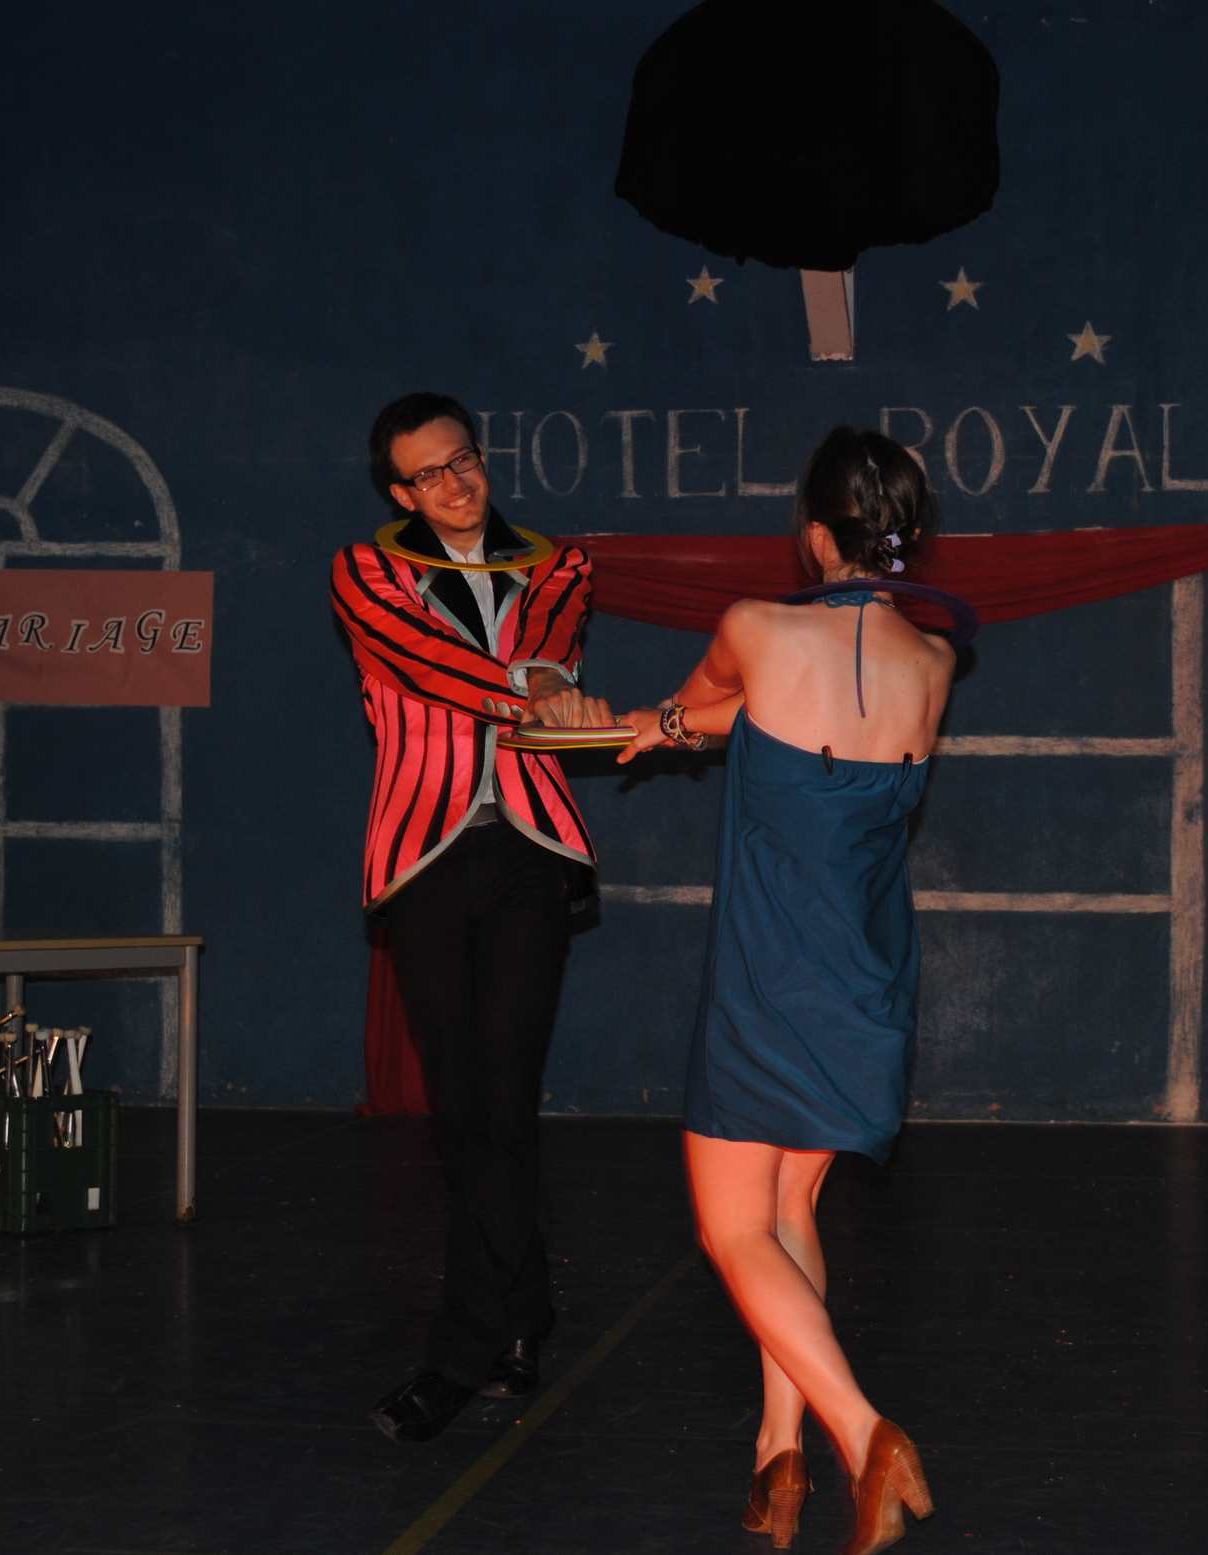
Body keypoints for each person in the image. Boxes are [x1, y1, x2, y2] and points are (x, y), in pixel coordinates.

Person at [617, 427, 954, 1555]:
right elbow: (776, 723)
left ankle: (863, 1436)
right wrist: (672, 726)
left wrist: (654, 721)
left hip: (768, 973)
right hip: (865, 977)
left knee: (731, 1229)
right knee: (788, 1212)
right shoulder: (933, 663)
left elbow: (712, 703)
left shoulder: (754, 628)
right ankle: (780, 1452)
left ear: (814, 536)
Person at [331, 391, 613, 1444]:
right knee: (463, 1111)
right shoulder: (365, 571)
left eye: (463, 461)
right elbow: (428, 660)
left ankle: (461, 1352)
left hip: (530, 852)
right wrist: (533, 695)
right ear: (398, 493)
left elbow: (544, 644)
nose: (454, 484)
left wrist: (544, 688)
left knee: (505, 1101)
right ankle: (523, 1313)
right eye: (428, 474)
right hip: (426, 858)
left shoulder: (557, 564)